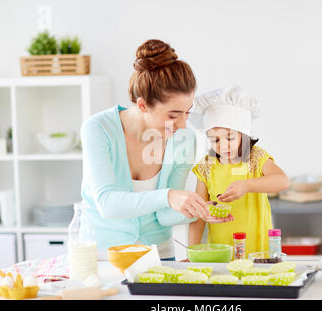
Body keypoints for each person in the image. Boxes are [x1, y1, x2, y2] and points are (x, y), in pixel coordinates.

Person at [79, 39, 214, 261]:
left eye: (187, 113)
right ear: (143, 105)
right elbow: (107, 205)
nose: (182, 124)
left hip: (159, 256)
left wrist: (199, 209)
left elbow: (164, 215)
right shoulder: (98, 129)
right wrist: (169, 196)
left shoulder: (183, 139)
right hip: (103, 258)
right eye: (173, 115)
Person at [188, 86, 290, 257]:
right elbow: (198, 216)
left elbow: (282, 181)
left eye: (230, 137)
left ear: (243, 134)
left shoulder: (255, 158)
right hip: (220, 254)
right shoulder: (206, 166)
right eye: (215, 139)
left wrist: (247, 185)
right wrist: (192, 252)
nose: (223, 145)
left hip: (258, 252)